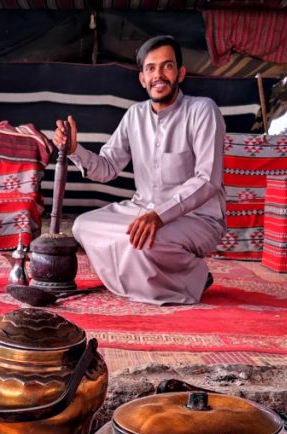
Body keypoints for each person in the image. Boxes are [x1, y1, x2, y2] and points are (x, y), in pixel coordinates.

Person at [54, 35, 226, 305]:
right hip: (143, 209)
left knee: (145, 243)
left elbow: (207, 180)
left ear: (180, 74)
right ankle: (141, 278)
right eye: (151, 68)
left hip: (197, 218)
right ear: (142, 79)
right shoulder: (134, 116)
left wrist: (158, 215)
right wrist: (75, 149)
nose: (158, 75)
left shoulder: (203, 110)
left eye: (167, 66)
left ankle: (195, 276)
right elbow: (108, 168)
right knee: (83, 226)